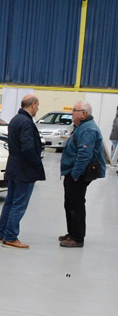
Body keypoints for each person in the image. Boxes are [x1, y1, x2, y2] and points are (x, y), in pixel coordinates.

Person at [0, 95, 45, 249]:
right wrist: (37, 164)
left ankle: (2, 233)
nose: (38, 109)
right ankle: (10, 237)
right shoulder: (26, 122)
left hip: (14, 167)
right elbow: (28, 147)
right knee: (18, 204)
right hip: (24, 170)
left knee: (10, 202)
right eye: (37, 106)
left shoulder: (15, 119)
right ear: (33, 104)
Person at [59, 101, 106, 248]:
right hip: (73, 172)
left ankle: (77, 237)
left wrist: (75, 174)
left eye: (75, 110)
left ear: (84, 114)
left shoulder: (88, 129)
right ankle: (72, 233)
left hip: (78, 174)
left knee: (76, 204)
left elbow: (84, 154)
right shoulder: (82, 127)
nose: (72, 113)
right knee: (70, 203)